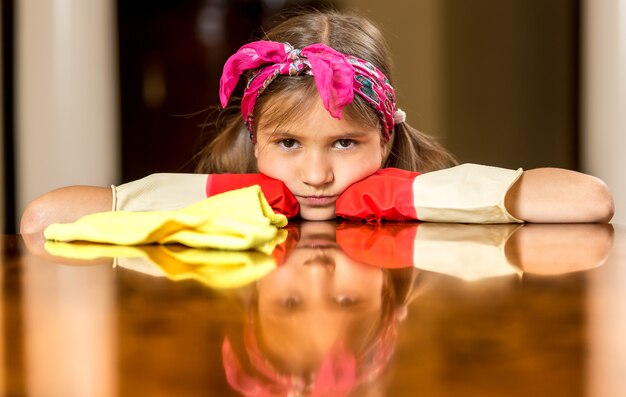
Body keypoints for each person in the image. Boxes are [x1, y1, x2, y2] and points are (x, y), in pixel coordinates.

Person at [20, 10, 614, 235]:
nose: (317, 174)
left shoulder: (414, 198)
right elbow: (44, 215)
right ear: (254, 141)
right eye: (287, 143)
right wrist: (232, 193)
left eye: (345, 143)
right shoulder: (232, 200)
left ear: (386, 137)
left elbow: (589, 200)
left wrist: (408, 194)